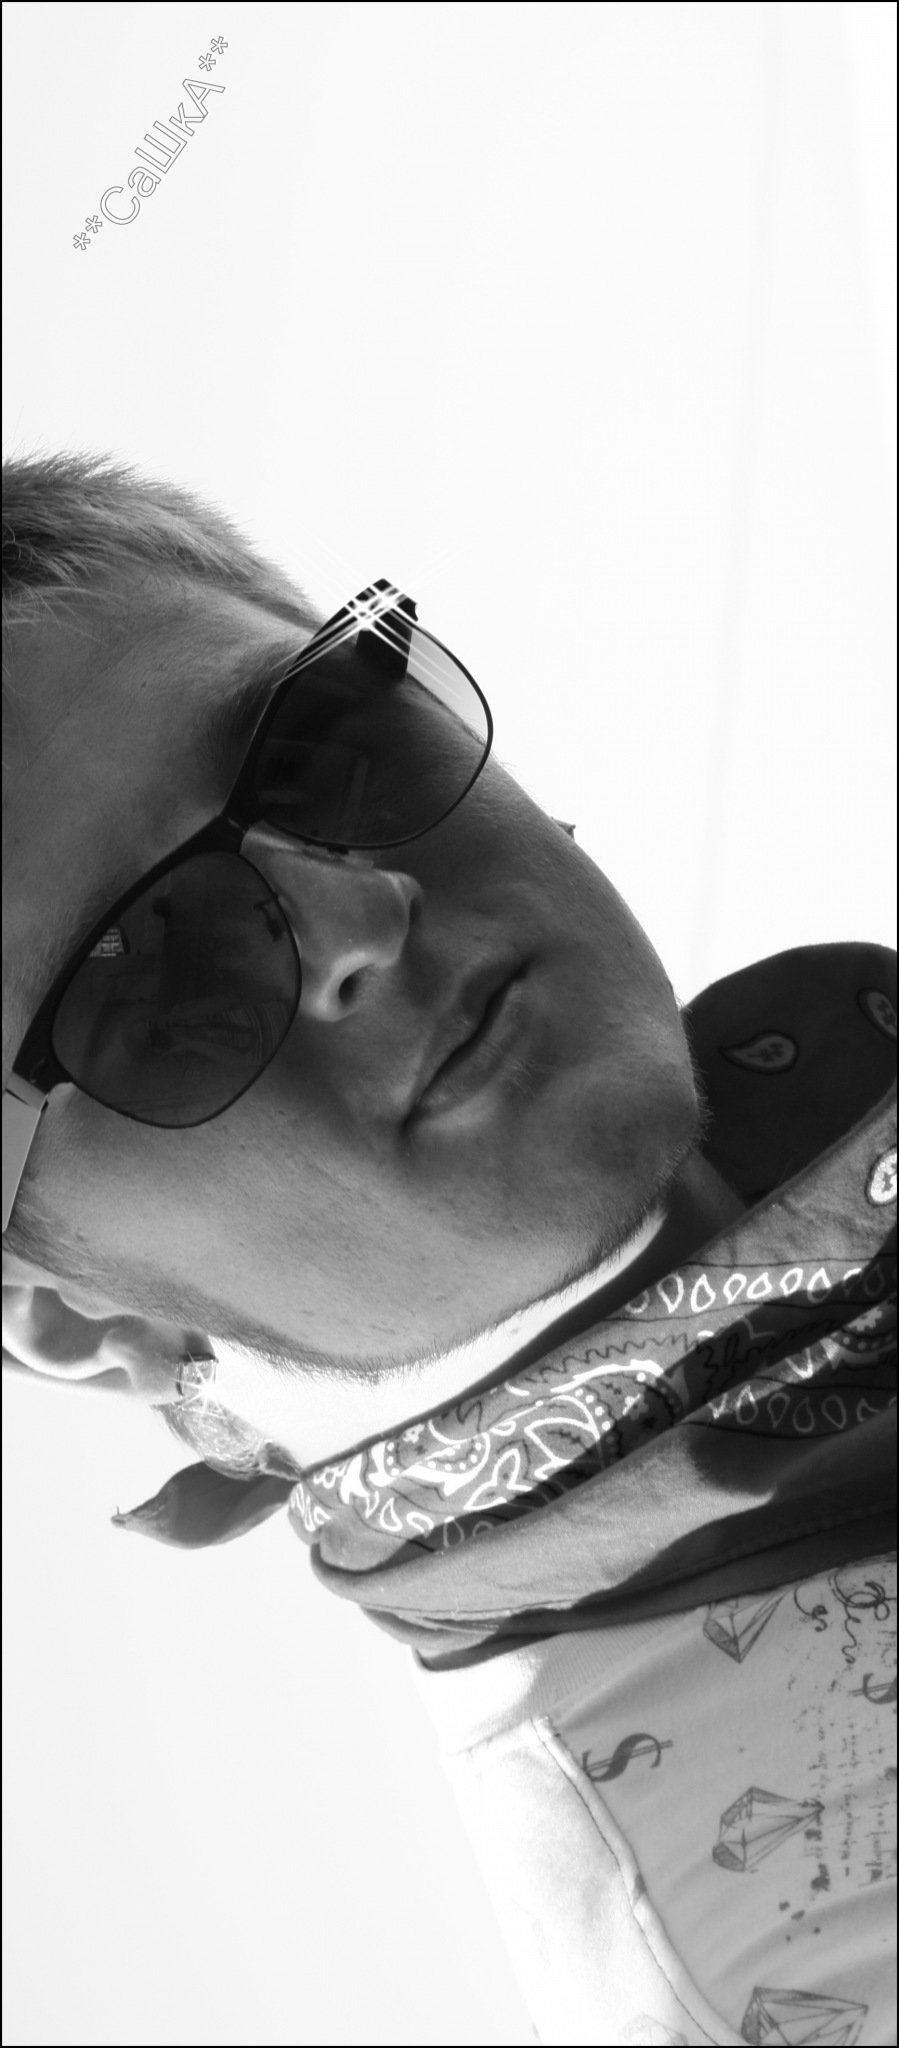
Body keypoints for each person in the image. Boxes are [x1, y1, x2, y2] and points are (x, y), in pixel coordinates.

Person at [3, 452, 895, 2047]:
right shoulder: (788, 1954)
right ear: (82, 1317)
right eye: (146, 979)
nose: (356, 920)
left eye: (326, 755)